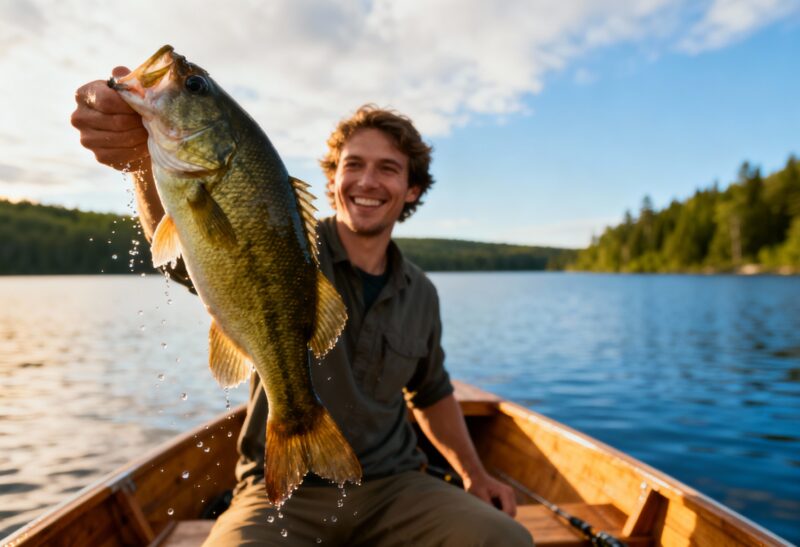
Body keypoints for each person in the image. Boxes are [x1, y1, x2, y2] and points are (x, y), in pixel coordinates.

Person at [71, 66, 534, 547]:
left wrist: (476, 476)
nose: (367, 181)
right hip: (280, 495)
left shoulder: (421, 292)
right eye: (353, 165)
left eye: (388, 168)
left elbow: (433, 393)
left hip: (396, 486)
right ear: (333, 179)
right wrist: (142, 166)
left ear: (412, 190)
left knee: (505, 539)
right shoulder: (287, 239)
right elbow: (179, 260)